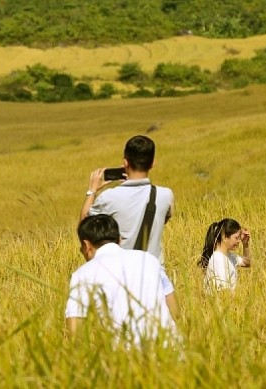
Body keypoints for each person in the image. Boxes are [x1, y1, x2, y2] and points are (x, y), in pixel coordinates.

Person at [79, 135, 178, 316]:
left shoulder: (109, 198)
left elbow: (84, 226)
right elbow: (165, 218)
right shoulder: (165, 195)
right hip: (154, 278)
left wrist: (92, 190)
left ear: (125, 162)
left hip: (119, 279)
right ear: (153, 163)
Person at [65, 214, 177, 346]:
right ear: (119, 240)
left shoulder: (82, 274)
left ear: (86, 245)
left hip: (127, 355)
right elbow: (175, 311)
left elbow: (74, 333)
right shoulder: (149, 259)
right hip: (172, 350)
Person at [199, 218, 251, 292]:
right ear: (225, 237)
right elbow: (222, 291)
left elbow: (247, 263)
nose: (239, 241)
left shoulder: (229, 256)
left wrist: (245, 244)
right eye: (236, 238)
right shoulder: (218, 259)